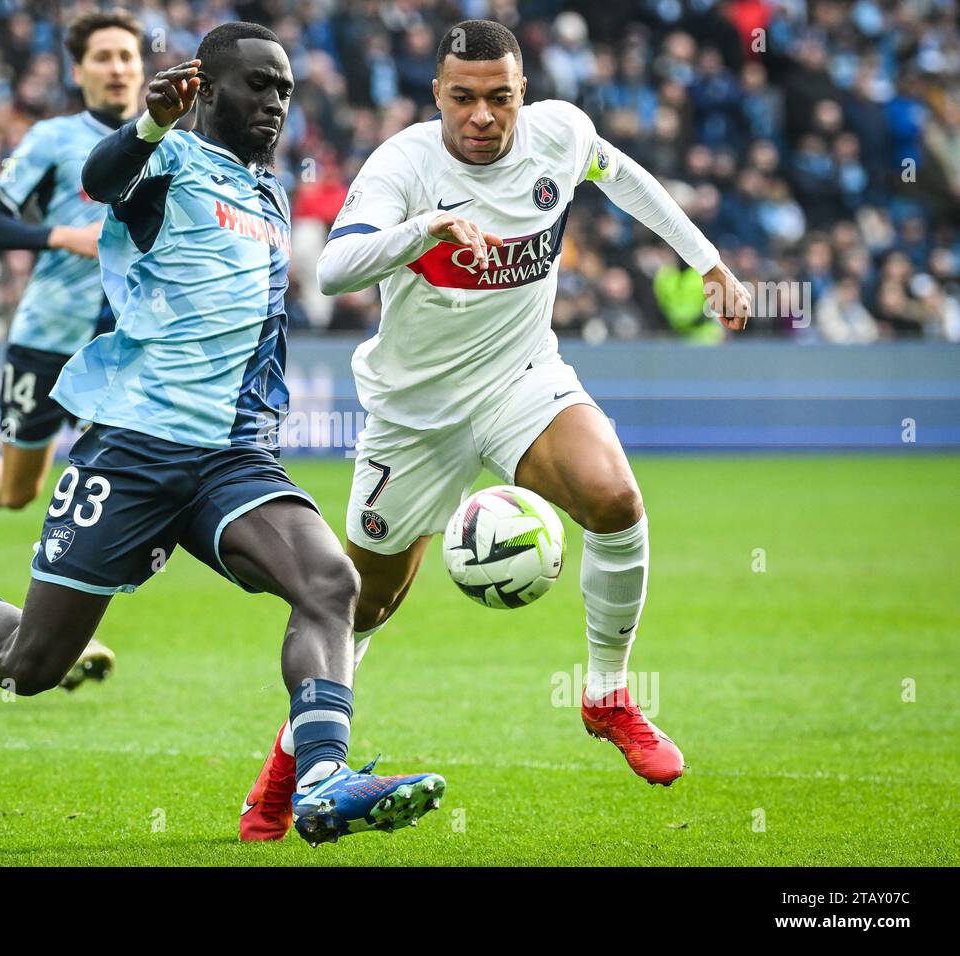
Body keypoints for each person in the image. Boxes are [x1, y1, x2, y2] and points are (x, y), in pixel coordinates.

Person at [0, 22, 444, 847]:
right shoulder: (165, 162)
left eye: (284, 89)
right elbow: (99, 176)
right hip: (134, 448)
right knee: (31, 669)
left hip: (232, 457)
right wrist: (150, 121)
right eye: (257, 85)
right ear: (208, 89)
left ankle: (325, 779)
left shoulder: (269, 192)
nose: (273, 102)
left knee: (331, 583)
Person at [239, 19, 752, 841]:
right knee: (360, 608)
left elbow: (625, 177)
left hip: (521, 380)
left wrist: (707, 260)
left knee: (615, 499)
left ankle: (607, 695)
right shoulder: (404, 164)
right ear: (438, 94)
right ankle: (286, 765)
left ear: (523, 93)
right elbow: (333, 269)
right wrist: (425, 231)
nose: (483, 116)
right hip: (413, 415)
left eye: (500, 97)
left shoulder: (559, 133)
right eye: (464, 98)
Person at [0, 10, 147, 685]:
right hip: (47, 338)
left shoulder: (171, 142)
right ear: (78, 71)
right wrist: (59, 236)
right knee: (21, 490)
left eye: (126, 56)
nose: (116, 68)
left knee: (113, 485)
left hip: (125, 348)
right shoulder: (53, 139)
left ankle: (54, 632)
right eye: (102, 57)